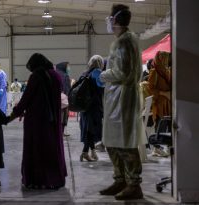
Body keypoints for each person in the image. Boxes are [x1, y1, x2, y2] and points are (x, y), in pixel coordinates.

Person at [99, 4, 146, 200]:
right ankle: (121, 179)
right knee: (112, 141)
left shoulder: (124, 43)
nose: (109, 21)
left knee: (125, 142)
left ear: (115, 20)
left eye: (110, 18)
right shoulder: (126, 41)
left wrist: (103, 74)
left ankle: (133, 184)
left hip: (122, 98)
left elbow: (122, 72)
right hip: (117, 98)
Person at [10, 53, 67, 189]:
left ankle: (36, 179)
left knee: (36, 148)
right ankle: (54, 178)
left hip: (36, 120)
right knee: (53, 147)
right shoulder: (57, 75)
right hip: (53, 119)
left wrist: (13, 115)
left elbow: (26, 98)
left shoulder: (36, 76)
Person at [79, 55, 105, 162]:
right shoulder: (98, 73)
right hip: (94, 106)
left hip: (84, 107)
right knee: (91, 131)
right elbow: (101, 89)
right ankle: (85, 152)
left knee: (88, 129)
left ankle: (92, 152)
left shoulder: (84, 73)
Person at [147, 51, 171, 157]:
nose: (166, 60)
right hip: (160, 102)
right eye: (164, 58)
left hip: (167, 102)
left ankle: (168, 147)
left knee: (167, 124)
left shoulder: (166, 71)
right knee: (160, 124)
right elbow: (150, 89)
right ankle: (156, 148)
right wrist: (163, 93)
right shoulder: (154, 72)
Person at [55, 62, 71, 136]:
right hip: (63, 99)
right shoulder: (65, 76)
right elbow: (67, 89)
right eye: (67, 66)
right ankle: (61, 132)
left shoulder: (54, 73)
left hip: (54, 99)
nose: (68, 68)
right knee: (64, 116)